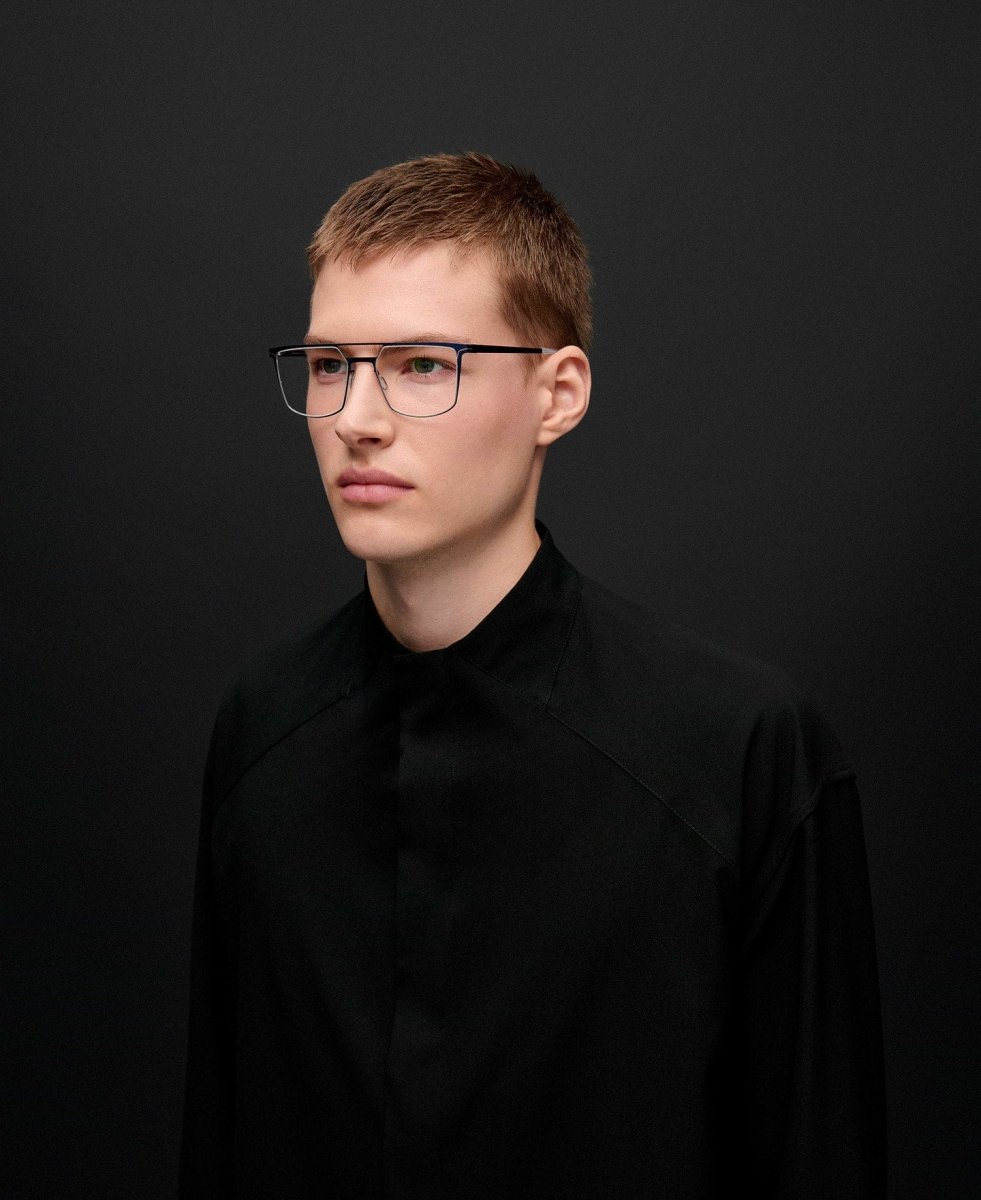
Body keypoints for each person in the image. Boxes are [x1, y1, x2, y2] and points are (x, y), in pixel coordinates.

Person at [179, 153, 886, 1198]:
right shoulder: (262, 725)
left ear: (557, 394)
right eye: (329, 365)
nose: (357, 417)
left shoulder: (737, 749)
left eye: (424, 364)